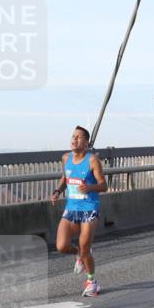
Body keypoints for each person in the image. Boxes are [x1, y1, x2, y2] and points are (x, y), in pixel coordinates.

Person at [51, 126, 108, 296]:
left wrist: (89, 187)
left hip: (89, 208)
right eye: (73, 136)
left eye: (78, 137)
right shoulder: (66, 157)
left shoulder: (92, 160)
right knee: (61, 246)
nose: (74, 140)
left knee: (85, 246)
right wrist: (57, 191)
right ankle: (81, 254)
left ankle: (92, 283)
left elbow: (104, 185)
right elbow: (65, 176)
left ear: (87, 142)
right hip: (71, 208)